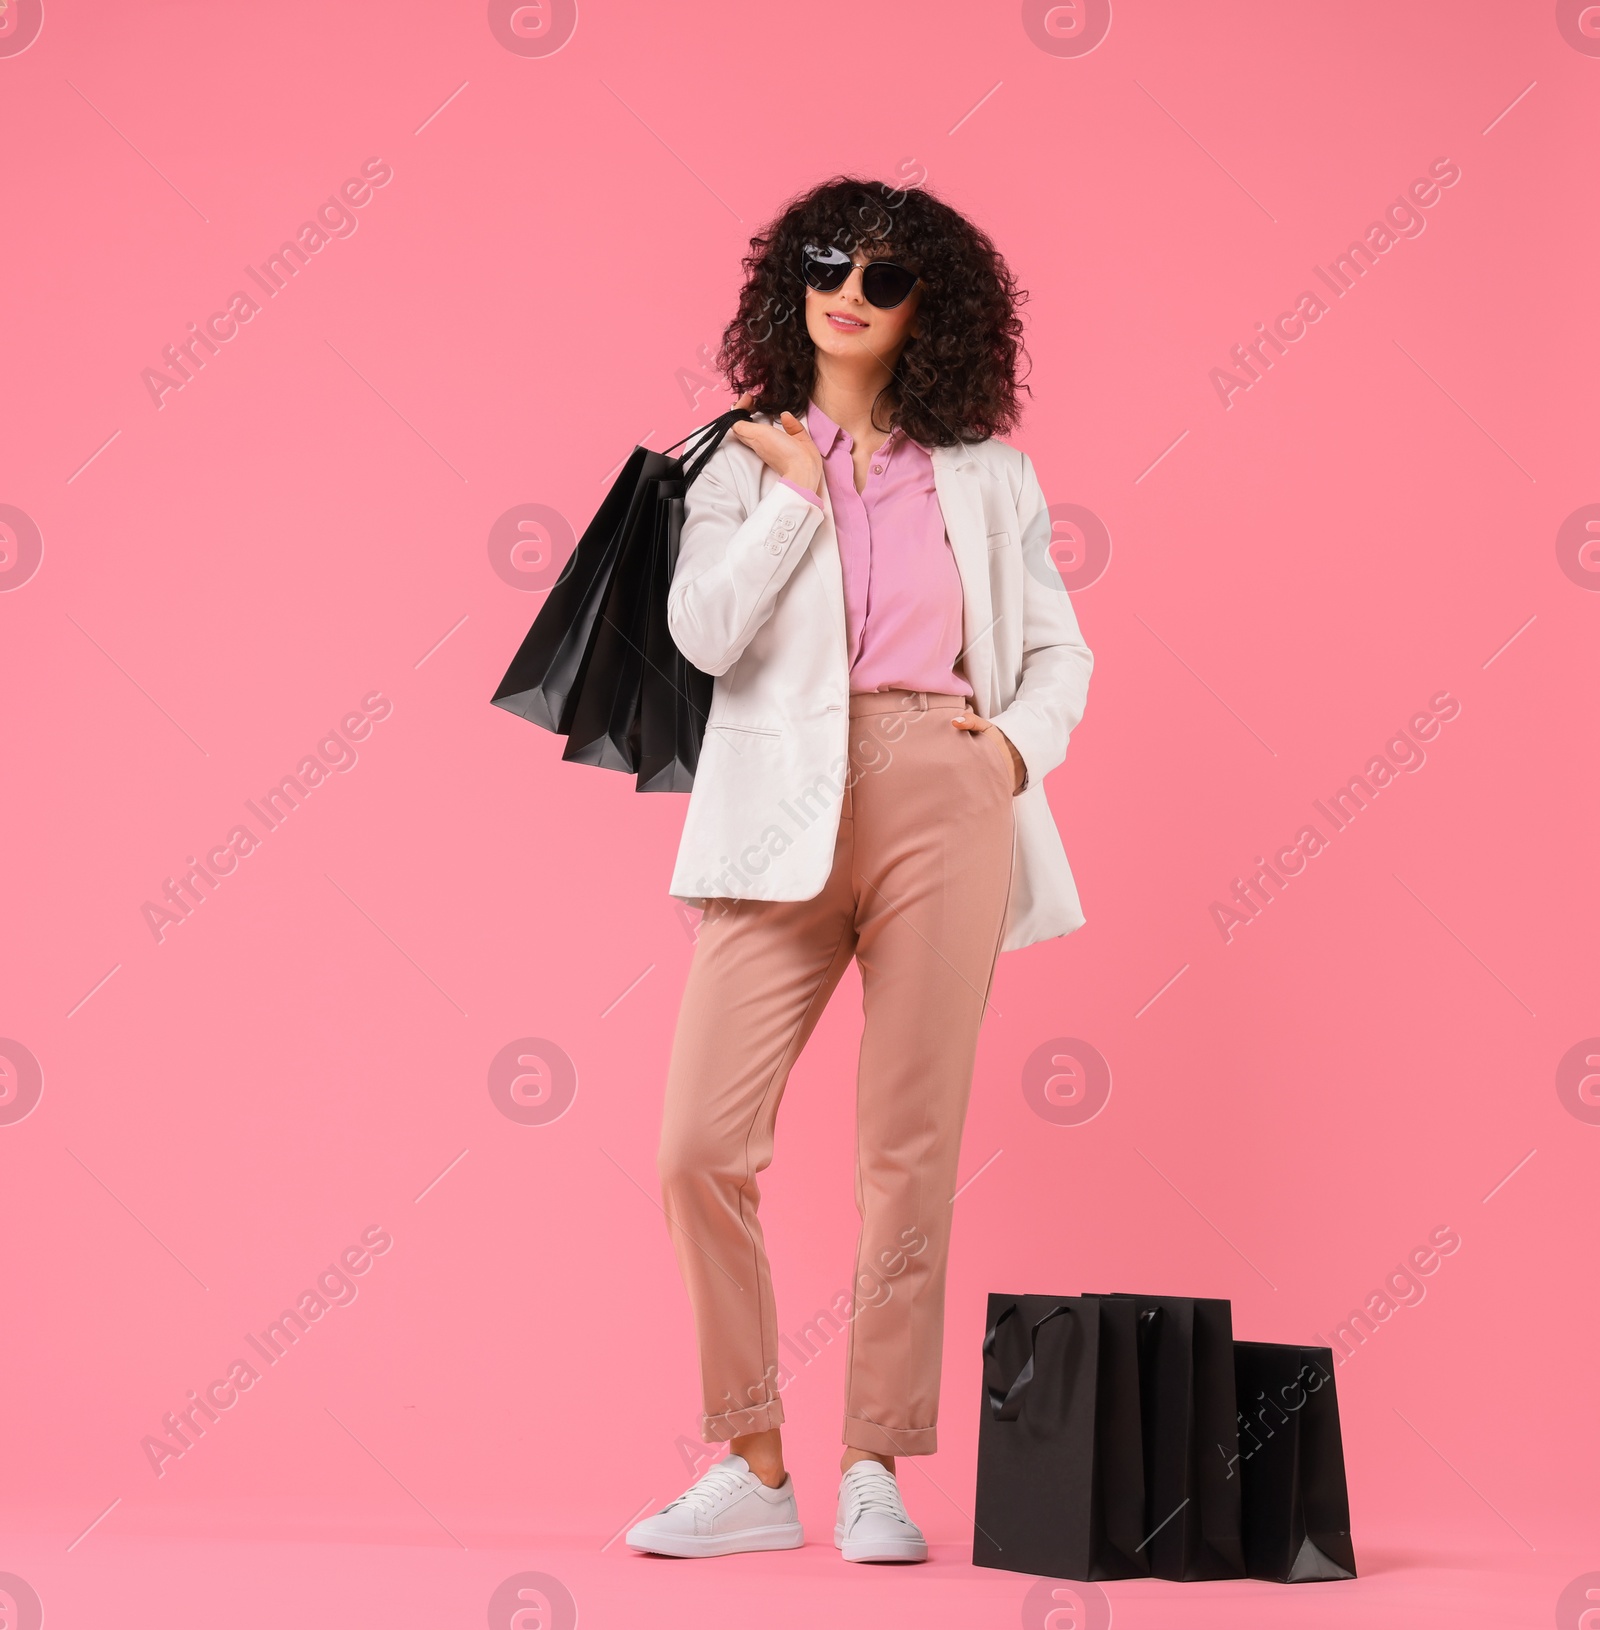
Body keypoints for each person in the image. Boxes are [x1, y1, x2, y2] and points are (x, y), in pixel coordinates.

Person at [625, 176, 1093, 1563]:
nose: (851, 289)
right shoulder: (730, 457)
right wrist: (786, 502)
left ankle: (874, 1461)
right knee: (699, 1145)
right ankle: (752, 1461)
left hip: (939, 791)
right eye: (830, 261)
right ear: (795, 279)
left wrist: (1007, 752)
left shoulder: (990, 473)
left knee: (908, 1148)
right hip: (779, 803)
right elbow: (703, 634)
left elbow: (1059, 647)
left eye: (887, 276)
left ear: (926, 309)